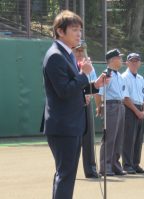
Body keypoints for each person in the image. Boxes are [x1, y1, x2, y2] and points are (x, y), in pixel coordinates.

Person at [42, 10, 108, 199]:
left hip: (71, 124)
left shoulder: (68, 54)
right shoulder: (55, 56)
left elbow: (74, 89)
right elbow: (63, 91)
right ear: (60, 31)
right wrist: (84, 74)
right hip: (64, 125)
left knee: (66, 174)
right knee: (66, 175)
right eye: (74, 30)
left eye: (80, 30)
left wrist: (95, 85)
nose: (79, 34)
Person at [96, 49, 128, 176]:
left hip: (120, 106)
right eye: (119, 58)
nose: (121, 60)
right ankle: (105, 167)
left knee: (118, 138)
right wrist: (99, 107)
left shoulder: (119, 75)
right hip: (110, 106)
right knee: (109, 137)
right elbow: (99, 94)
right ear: (113, 60)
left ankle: (115, 165)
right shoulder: (106, 74)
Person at [73, 41, 98, 178]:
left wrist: (89, 95)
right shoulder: (69, 65)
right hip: (73, 106)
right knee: (74, 139)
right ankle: (71, 170)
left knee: (88, 138)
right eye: (77, 50)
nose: (80, 53)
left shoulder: (89, 66)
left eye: (82, 50)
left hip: (86, 105)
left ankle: (91, 169)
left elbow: (93, 84)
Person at [121, 53, 144, 174]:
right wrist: (137, 111)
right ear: (127, 63)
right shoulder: (124, 77)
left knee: (138, 138)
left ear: (140, 63)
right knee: (128, 138)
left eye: (137, 61)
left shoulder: (141, 78)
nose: (134, 63)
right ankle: (127, 165)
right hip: (129, 109)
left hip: (140, 109)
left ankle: (135, 164)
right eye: (132, 61)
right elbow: (125, 98)